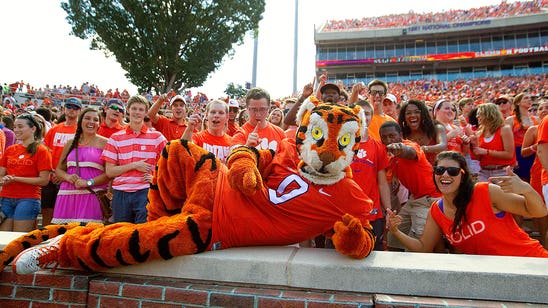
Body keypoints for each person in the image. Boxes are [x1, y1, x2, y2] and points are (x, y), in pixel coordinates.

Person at [387, 151, 548, 257]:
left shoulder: (485, 192)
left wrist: (526, 189)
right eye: (439, 170)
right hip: (496, 274)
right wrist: (396, 231)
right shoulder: (437, 210)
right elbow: (423, 247)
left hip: (529, 260)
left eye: (453, 171)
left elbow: (538, 212)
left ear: (463, 176)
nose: (445, 174)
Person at [101, 95, 167, 223]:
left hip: (145, 191)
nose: (137, 112)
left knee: (143, 235)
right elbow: (109, 172)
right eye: (134, 109)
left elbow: (170, 163)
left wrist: (156, 178)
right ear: (128, 110)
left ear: (145, 112)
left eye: (141, 109)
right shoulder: (115, 138)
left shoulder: (157, 137)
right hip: (120, 193)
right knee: (122, 235)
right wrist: (134, 165)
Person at [379, 121, 442, 251]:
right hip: (414, 199)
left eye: (392, 136)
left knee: (424, 245)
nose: (388, 140)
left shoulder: (411, 146)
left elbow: (409, 152)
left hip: (430, 199)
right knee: (393, 239)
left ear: (400, 135)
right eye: (384, 137)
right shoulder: (389, 155)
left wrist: (400, 148)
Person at [51, 108, 110, 224]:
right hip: (67, 195)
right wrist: (68, 177)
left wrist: (88, 183)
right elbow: (59, 169)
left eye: (95, 120)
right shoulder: (70, 143)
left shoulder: (106, 143)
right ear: (80, 121)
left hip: (92, 195)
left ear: (99, 124)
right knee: (63, 234)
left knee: (87, 235)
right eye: (87, 118)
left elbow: (109, 173)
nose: (91, 122)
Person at [0, 114, 52, 232]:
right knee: (3, 238)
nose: (16, 130)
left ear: (33, 129)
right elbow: (1, 174)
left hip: (28, 199)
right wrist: (4, 180)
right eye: (15, 127)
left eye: (20, 126)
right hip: (6, 198)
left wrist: (16, 179)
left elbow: (44, 180)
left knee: (18, 239)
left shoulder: (42, 151)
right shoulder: (10, 150)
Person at [351, 101, 391, 250]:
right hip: (345, 212)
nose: (362, 116)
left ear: (371, 117)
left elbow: (382, 182)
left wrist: (388, 210)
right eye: (358, 112)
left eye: (366, 113)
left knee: (372, 254)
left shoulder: (378, 147)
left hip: (371, 214)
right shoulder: (341, 144)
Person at [41, 97, 82, 226]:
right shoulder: (54, 129)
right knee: (47, 209)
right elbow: (46, 151)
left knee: (68, 212)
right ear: (64, 108)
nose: (72, 110)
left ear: (80, 111)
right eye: (69, 106)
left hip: (70, 176)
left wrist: (64, 175)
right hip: (51, 176)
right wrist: (51, 173)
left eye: (75, 108)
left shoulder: (81, 130)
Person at [522, 99, 548, 248]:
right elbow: (523, 152)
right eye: (540, 108)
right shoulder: (533, 129)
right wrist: (535, 147)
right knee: (541, 209)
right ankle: (544, 244)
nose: (544, 110)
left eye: (546, 107)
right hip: (539, 171)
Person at [472, 103, 515, 182]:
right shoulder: (479, 133)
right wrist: (474, 146)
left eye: (479, 114)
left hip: (502, 171)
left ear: (489, 114)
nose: (477, 116)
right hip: (484, 172)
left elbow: (509, 154)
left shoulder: (504, 129)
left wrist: (486, 152)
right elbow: (479, 157)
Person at [399, 99, 447, 165]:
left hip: (436, 173)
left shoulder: (436, 128)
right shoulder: (402, 134)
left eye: (417, 112)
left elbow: (443, 145)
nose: (412, 115)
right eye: (408, 113)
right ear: (404, 117)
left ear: (423, 114)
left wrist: (422, 149)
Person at [505, 92, 539, 182]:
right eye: (526, 98)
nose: (529, 100)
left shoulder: (536, 119)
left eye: (530, 98)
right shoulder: (511, 119)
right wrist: (512, 160)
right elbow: (506, 141)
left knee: (534, 180)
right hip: (517, 153)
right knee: (520, 182)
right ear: (518, 103)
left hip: (533, 152)